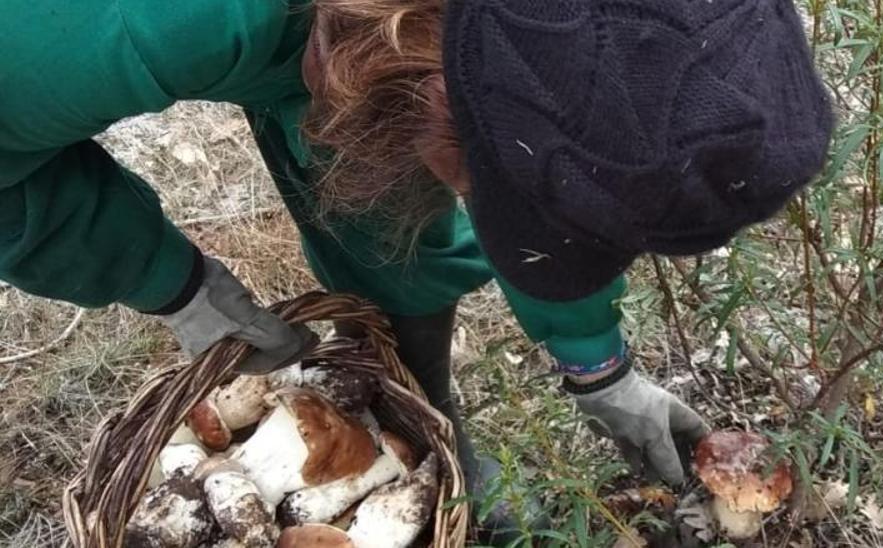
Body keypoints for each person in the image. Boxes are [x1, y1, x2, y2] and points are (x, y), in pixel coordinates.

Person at [1, 0, 831, 542]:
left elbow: (573, 156)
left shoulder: (477, 46)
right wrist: (167, 278)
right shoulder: (138, 18)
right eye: (486, 182)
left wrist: (596, 362)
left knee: (384, 209)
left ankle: (420, 431)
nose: (471, 201)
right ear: (440, 88)